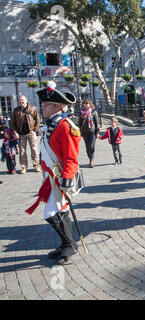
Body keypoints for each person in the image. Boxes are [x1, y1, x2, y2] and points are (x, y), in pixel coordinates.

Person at [25, 81, 81, 265]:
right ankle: (68, 244)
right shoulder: (52, 125)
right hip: (51, 177)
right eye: (42, 104)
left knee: (50, 213)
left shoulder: (65, 126)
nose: (42, 107)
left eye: (46, 105)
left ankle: (69, 244)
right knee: (61, 209)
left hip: (61, 177)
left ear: (56, 106)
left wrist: (67, 178)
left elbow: (71, 157)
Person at [11, 95, 41, 174]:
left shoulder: (33, 108)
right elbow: (13, 123)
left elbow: (37, 119)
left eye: (22, 100)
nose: (21, 101)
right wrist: (15, 132)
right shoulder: (16, 110)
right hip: (21, 133)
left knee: (34, 149)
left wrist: (35, 129)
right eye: (19, 100)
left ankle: (36, 165)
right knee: (22, 151)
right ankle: (23, 167)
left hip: (31, 132)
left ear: (26, 100)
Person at [78, 98, 99, 168]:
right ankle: (90, 158)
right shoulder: (81, 112)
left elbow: (96, 123)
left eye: (87, 103)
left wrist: (97, 132)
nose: (86, 105)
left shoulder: (93, 112)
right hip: (84, 132)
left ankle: (92, 159)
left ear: (90, 104)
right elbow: (79, 123)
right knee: (87, 147)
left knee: (91, 146)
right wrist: (79, 132)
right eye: (84, 103)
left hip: (92, 131)